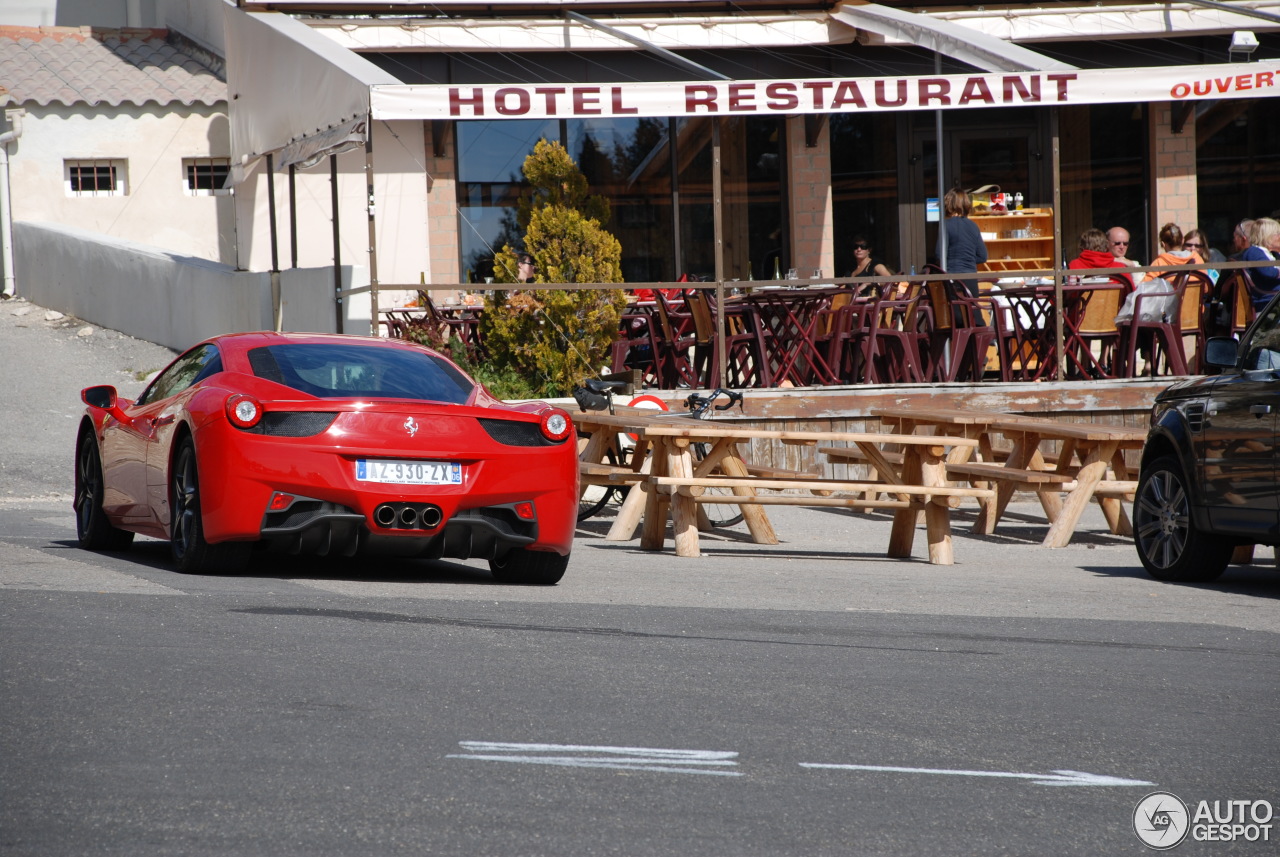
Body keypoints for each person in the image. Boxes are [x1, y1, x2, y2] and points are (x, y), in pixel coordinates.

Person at [937, 188, 987, 296]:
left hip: (953, 278)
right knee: (972, 310)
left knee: (956, 311)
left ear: (947, 205)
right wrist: (967, 259)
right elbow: (983, 256)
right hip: (971, 278)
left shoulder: (946, 225)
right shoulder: (973, 226)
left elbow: (939, 254)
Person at [1069, 227, 1134, 291]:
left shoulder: (1074, 265)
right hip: (1113, 301)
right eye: (1117, 243)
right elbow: (1132, 293)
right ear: (1106, 245)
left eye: (1125, 243)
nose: (1122, 246)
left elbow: (1069, 294)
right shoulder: (1120, 268)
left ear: (1081, 247)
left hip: (1084, 301)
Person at [1241, 217, 1280, 310]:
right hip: (1268, 299)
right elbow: (1268, 272)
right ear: (1267, 235)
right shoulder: (1254, 252)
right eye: (1278, 234)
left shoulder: (1271, 253)